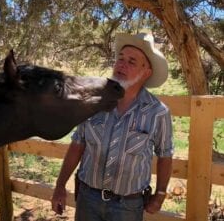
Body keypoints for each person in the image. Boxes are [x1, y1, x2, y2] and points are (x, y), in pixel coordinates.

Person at [51, 32, 173, 221]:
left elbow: (165, 155)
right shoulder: (92, 102)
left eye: (132, 61)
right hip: (87, 199)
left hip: (128, 206)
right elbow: (77, 145)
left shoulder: (157, 112)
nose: (122, 64)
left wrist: (161, 194)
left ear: (146, 72)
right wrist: (60, 186)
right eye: (120, 58)